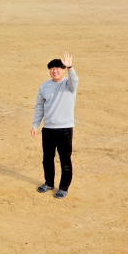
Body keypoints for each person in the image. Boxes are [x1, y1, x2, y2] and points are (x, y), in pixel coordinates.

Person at [32, 52, 78, 199]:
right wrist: (35, 125)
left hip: (65, 129)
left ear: (63, 70)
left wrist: (70, 67)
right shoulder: (44, 86)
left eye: (58, 68)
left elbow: (75, 80)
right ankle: (49, 183)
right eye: (52, 68)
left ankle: (63, 188)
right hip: (48, 129)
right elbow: (40, 107)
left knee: (65, 160)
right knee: (47, 158)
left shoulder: (69, 84)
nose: (55, 71)